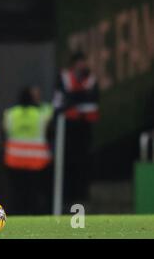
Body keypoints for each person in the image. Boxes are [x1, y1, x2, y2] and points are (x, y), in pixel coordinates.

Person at [52, 51, 99, 210]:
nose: (81, 65)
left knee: (84, 162)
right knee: (68, 164)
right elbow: (59, 103)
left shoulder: (91, 79)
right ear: (73, 64)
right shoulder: (64, 77)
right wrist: (78, 99)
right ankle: (68, 198)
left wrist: (73, 99)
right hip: (68, 128)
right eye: (79, 62)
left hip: (84, 128)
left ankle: (81, 196)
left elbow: (93, 104)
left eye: (83, 62)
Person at [1, 86, 53, 215]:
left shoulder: (10, 114)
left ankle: (16, 214)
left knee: (16, 193)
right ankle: (36, 213)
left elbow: (3, 134)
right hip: (37, 162)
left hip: (14, 161)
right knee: (35, 194)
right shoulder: (42, 114)